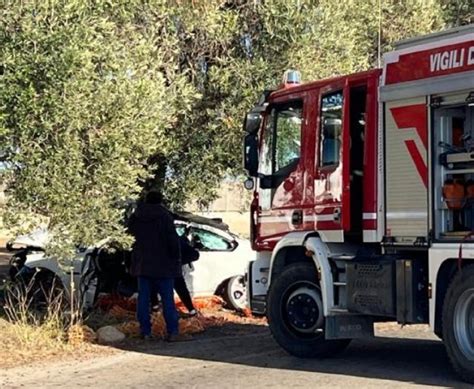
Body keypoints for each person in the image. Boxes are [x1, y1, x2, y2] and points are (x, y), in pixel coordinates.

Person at [128, 191, 187, 342]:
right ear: (161, 200)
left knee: (143, 299)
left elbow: (128, 238)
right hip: (164, 266)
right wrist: (177, 259)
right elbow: (172, 241)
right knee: (167, 300)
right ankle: (172, 331)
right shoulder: (165, 216)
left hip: (142, 265)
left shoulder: (136, 217)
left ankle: (145, 331)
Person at [151, 234, 200, 317]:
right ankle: (191, 310)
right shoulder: (178, 240)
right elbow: (195, 255)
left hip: (158, 270)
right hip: (173, 269)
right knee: (181, 289)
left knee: (155, 288)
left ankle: (155, 308)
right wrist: (180, 261)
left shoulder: (152, 239)